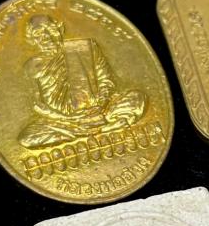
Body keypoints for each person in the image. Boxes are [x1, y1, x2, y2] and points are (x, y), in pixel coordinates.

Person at [18, 15, 146, 148]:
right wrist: (67, 118)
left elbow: (106, 80)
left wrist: (102, 103)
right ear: (32, 40)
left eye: (50, 29)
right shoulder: (32, 66)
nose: (46, 36)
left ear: (60, 29)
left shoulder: (85, 48)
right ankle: (100, 130)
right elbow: (37, 104)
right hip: (63, 122)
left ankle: (86, 131)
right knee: (26, 138)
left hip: (99, 111)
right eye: (38, 33)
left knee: (137, 98)